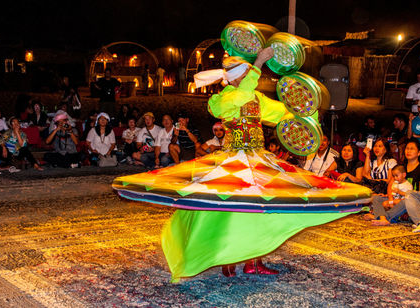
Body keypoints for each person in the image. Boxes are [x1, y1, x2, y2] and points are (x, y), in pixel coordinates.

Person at [113, 49, 371, 282]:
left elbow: (285, 114)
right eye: (247, 74)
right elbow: (242, 94)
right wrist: (258, 62)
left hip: (259, 159)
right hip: (232, 160)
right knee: (228, 213)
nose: (250, 77)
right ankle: (227, 259)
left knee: (259, 210)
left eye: (250, 73)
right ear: (235, 78)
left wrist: (308, 110)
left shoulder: (256, 97)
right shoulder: (223, 99)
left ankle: (252, 261)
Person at [364, 139, 420, 226]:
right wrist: (390, 196)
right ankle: (383, 217)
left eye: (412, 149)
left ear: (419, 153)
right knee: (376, 198)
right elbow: (390, 184)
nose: (408, 151)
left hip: (410, 200)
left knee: (405, 201)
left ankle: (382, 217)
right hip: (395, 198)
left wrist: (402, 198)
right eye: (407, 148)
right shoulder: (400, 167)